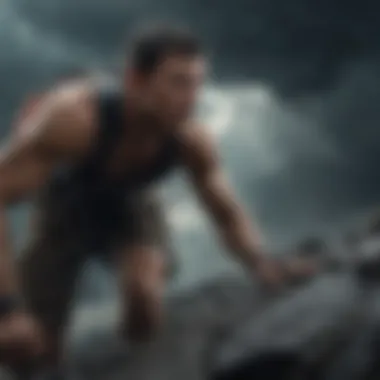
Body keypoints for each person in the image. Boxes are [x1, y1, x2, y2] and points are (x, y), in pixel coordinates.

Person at [0, 24, 313, 373]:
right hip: (62, 208)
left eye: (197, 83)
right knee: (28, 348)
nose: (192, 97)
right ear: (136, 80)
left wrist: (261, 262)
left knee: (144, 299)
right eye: (178, 82)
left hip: (130, 205)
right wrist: (7, 308)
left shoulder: (191, 139)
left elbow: (225, 211)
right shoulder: (74, 119)